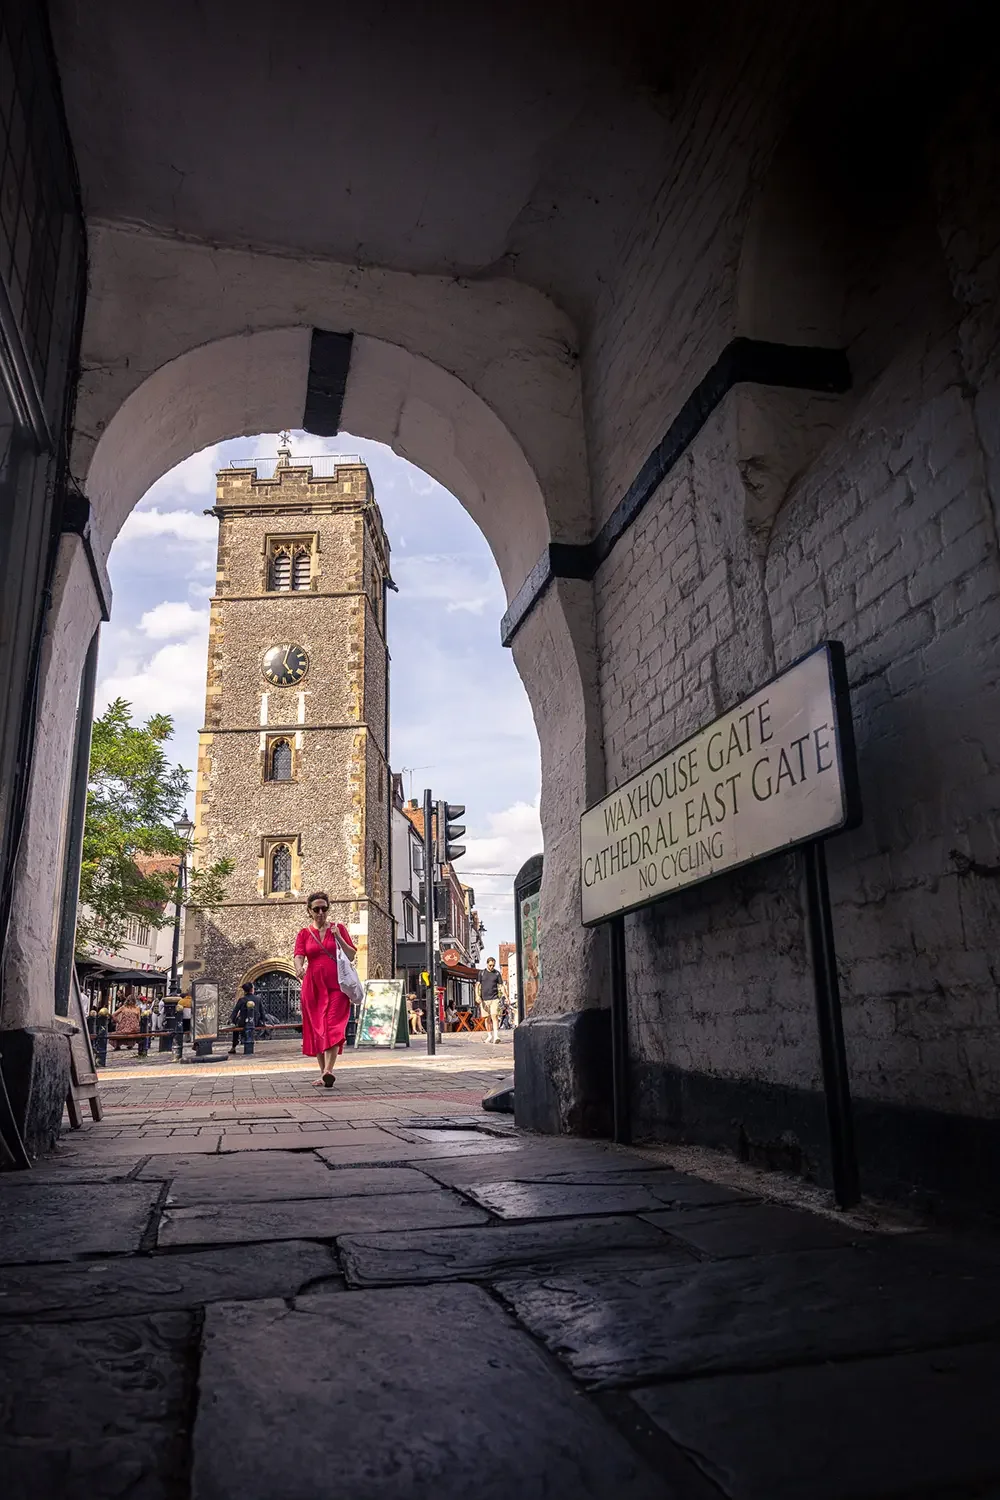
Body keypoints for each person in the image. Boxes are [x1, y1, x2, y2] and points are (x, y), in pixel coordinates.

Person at [293, 892, 356, 1087]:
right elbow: (299, 954)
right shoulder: (304, 933)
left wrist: (339, 938)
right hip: (312, 986)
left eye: (324, 908)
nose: (321, 912)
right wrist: (298, 968)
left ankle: (329, 1070)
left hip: (337, 985)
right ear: (309, 911)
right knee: (317, 1028)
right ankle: (323, 1073)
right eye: (317, 909)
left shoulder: (339, 929)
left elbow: (351, 954)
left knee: (333, 1025)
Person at [476, 956, 506, 1044]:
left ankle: (496, 1036)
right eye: (490, 965)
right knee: (487, 1019)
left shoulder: (497, 974)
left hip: (494, 998)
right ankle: (489, 1036)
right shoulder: (481, 973)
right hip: (484, 999)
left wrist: (506, 997)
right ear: (487, 964)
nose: (491, 967)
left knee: (494, 1016)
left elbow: (501, 986)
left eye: (493, 965)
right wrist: (477, 996)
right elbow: (477, 985)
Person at [230, 981, 254, 1053]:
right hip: (255, 1022)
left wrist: (232, 1020)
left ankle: (234, 1046)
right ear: (252, 989)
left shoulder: (242, 1000)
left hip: (244, 1022)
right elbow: (262, 1012)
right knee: (238, 1026)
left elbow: (235, 1011)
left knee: (236, 1028)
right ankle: (243, 1038)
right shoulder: (258, 998)